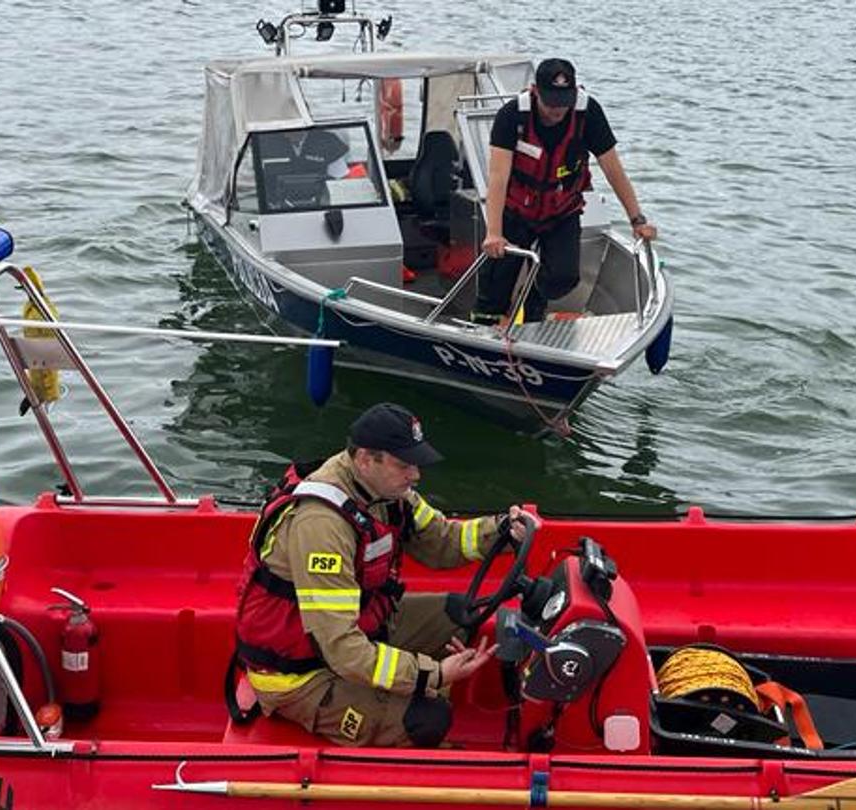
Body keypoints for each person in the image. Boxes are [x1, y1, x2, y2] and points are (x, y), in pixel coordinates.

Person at [232, 403, 539, 747]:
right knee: (427, 720)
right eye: (404, 465)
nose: (415, 475)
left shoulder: (385, 490)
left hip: (360, 628)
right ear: (365, 458)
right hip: (302, 674)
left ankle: (412, 696)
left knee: (460, 614)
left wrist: (501, 531)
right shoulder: (321, 524)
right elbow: (342, 651)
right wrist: (433, 674)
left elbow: (442, 541)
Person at [475, 58, 658, 327]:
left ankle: (531, 308)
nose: (557, 110)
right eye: (550, 103)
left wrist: (637, 220)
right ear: (535, 91)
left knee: (564, 277)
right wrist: (494, 232)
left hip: (561, 211)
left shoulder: (588, 113)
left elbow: (613, 169)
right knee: (494, 286)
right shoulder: (512, 116)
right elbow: (498, 177)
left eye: (564, 102)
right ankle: (485, 325)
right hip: (515, 210)